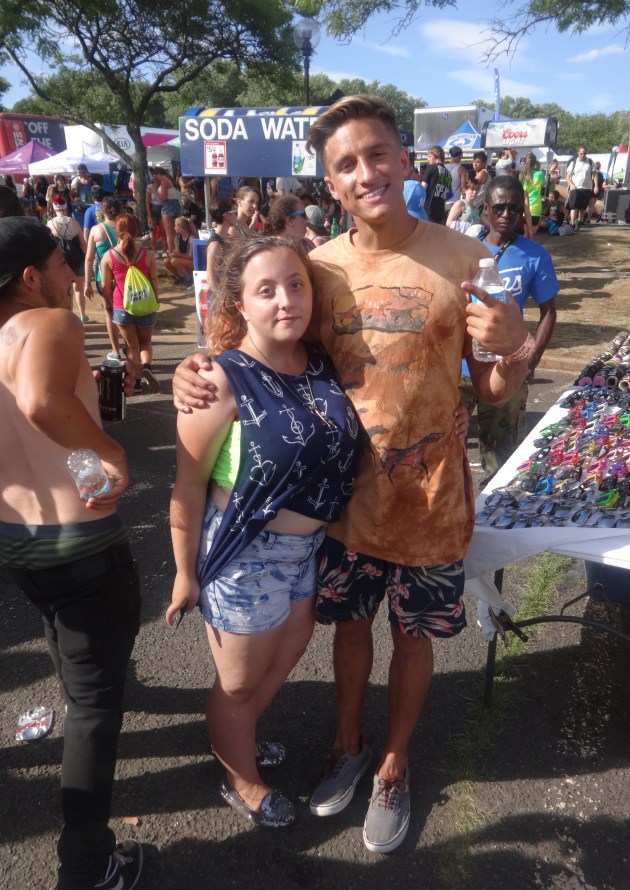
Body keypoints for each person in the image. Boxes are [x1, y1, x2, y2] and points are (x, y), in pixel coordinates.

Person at [172, 94, 532, 854]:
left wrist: (512, 350)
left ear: (404, 158)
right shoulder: (319, 267)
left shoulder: (466, 259)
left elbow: (495, 391)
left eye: (377, 154)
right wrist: (194, 371)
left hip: (432, 503)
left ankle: (394, 764)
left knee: (415, 637)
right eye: (346, 164)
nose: (366, 173)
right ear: (330, 183)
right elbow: (256, 345)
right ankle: (346, 744)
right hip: (345, 503)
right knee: (349, 628)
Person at [166, 235, 361, 828]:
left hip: (309, 552)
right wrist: (183, 573)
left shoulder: (320, 361)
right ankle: (240, 778)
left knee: (280, 664)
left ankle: (239, 737)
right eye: (266, 290)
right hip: (246, 556)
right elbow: (188, 486)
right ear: (240, 305)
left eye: (296, 285)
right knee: (238, 684)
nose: (285, 300)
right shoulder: (217, 380)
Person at [0, 216, 142, 890]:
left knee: (68, 644)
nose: (70, 275)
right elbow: (39, 402)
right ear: (31, 277)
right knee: (93, 710)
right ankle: (86, 866)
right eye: (62, 264)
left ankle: (85, 679)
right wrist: (112, 455)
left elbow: (40, 423)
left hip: (18, 541)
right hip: (82, 546)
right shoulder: (50, 322)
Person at [460, 175, 558, 482]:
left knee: (501, 462)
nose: (506, 215)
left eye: (514, 208)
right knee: (446, 453)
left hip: (507, 366)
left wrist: (531, 359)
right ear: (485, 209)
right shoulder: (463, 251)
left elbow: (549, 312)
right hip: (460, 369)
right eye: (499, 207)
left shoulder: (535, 255)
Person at [100, 212, 161, 394]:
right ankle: (147, 365)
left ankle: (137, 382)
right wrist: (156, 298)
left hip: (122, 306)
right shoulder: (147, 254)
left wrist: (108, 305)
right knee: (146, 342)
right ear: (135, 231)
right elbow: (154, 279)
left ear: (117, 232)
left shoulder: (108, 257)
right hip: (145, 304)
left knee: (131, 346)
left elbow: (105, 286)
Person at [84, 196, 124, 360]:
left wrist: (88, 283)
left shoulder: (96, 230)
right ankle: (131, 347)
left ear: (102, 212)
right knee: (126, 312)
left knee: (110, 313)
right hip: (123, 277)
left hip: (104, 278)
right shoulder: (124, 228)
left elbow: (89, 259)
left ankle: (116, 351)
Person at [47, 195, 89, 323]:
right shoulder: (74, 223)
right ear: (65, 208)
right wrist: (89, 257)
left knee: (65, 291)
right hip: (77, 260)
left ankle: (68, 316)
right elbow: (83, 244)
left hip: (60, 262)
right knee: (79, 289)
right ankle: (83, 315)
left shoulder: (50, 224)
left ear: (55, 209)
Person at [205, 203, 236, 293]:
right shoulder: (215, 244)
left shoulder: (227, 238)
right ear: (226, 215)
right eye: (235, 212)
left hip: (226, 291)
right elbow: (210, 277)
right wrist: (220, 298)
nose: (237, 216)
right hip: (218, 294)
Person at [420, 145, 452, 224]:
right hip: (440, 213)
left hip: (428, 211)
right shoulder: (448, 174)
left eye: (429, 156)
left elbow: (421, 189)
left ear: (437, 156)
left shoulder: (431, 168)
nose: (427, 159)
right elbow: (448, 193)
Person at [565, 145, 593, 230]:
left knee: (583, 207)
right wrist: (571, 184)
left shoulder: (590, 162)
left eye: (584, 153)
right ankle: (572, 223)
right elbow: (567, 177)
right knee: (574, 206)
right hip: (575, 188)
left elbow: (594, 174)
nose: (583, 155)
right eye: (581, 153)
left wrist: (595, 186)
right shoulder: (574, 162)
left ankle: (579, 222)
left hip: (586, 188)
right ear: (578, 153)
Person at [164, 215, 197, 286]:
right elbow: (178, 253)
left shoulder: (192, 238)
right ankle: (178, 277)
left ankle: (188, 279)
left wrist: (178, 255)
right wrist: (173, 255)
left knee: (174, 261)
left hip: (193, 262)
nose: (174, 228)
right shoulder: (177, 238)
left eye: (176, 226)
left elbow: (191, 256)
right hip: (183, 259)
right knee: (166, 261)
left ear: (180, 227)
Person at [443, 145, 469, 218]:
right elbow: (463, 188)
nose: (461, 158)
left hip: (442, 202)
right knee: (452, 224)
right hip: (454, 203)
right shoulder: (461, 168)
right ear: (458, 156)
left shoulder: (443, 166)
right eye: (461, 156)